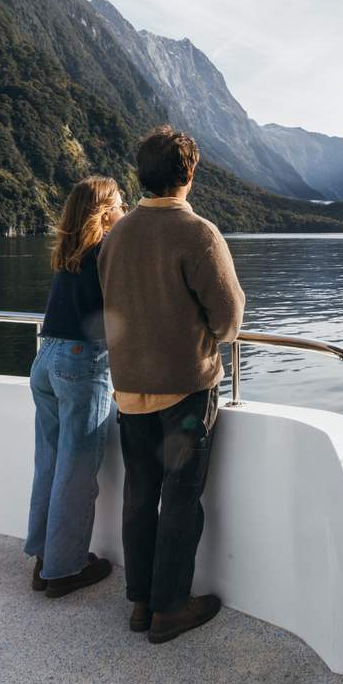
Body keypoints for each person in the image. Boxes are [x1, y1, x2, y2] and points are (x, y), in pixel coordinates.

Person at [98, 126, 245, 644]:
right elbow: (229, 322)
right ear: (189, 173)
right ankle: (170, 609)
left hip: (128, 388)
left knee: (140, 495)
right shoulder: (198, 234)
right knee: (181, 500)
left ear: (141, 174)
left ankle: (140, 602)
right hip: (185, 389)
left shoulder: (115, 236)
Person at [26, 176, 125, 597]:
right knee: (77, 473)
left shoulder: (69, 253)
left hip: (46, 359)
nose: (124, 210)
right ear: (104, 212)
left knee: (49, 463)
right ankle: (65, 571)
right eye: (119, 203)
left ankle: (44, 559)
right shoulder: (106, 251)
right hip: (81, 363)